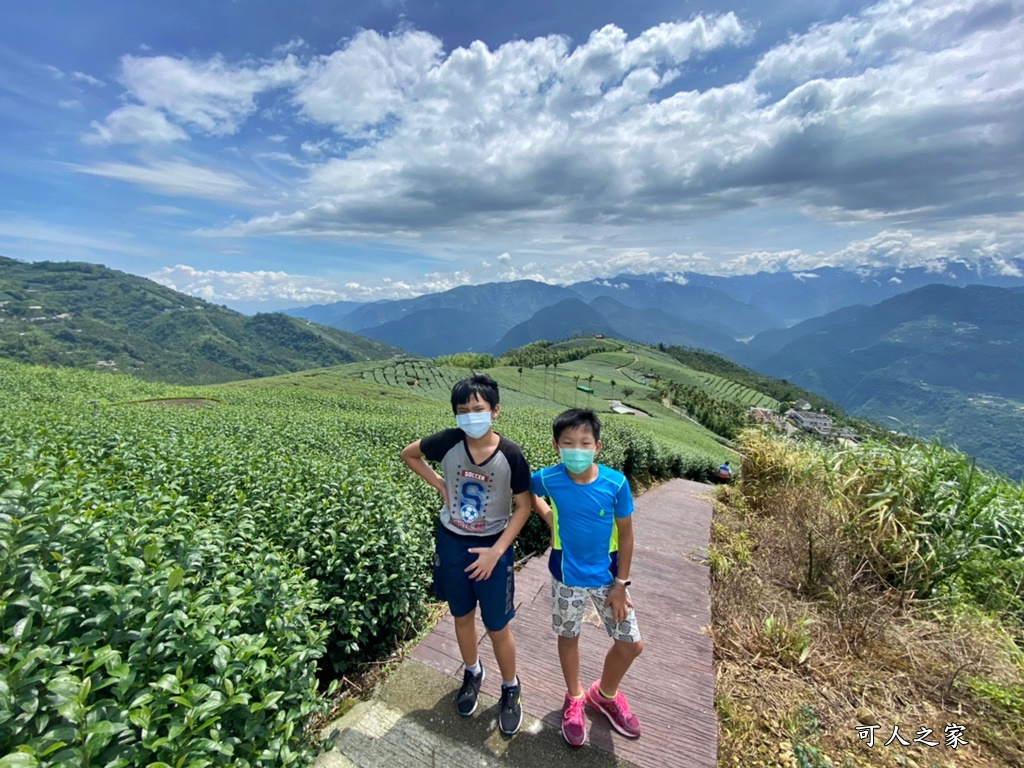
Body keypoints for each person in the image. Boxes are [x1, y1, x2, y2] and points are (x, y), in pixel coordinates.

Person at [400, 373, 531, 736]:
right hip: (453, 542)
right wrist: (440, 483)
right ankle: (472, 672)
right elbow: (409, 454)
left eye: (478, 409)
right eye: (463, 410)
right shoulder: (448, 442)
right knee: (461, 616)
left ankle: (510, 688)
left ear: (495, 411)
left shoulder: (511, 454)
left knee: (497, 625)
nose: (471, 416)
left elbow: (523, 507)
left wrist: (497, 551)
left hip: (493, 547)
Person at [530, 408, 644, 747]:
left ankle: (604, 695)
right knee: (569, 637)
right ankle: (575, 698)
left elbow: (626, 535)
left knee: (631, 643)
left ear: (598, 446)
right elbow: (527, 491)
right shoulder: (549, 478)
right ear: (556, 446)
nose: (576, 450)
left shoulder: (616, 483)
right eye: (568, 443)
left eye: (584, 443)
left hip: (608, 578)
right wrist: (550, 517)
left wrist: (622, 584)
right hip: (565, 576)